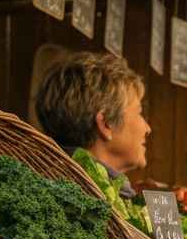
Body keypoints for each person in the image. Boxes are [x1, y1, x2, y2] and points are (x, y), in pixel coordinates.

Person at [34, 51, 149, 198]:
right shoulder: (87, 200)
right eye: (139, 112)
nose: (148, 129)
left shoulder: (49, 175)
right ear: (106, 123)